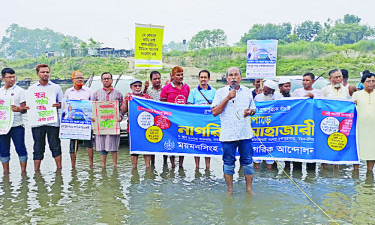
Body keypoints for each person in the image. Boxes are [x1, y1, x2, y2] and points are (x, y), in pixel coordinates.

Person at [212, 67, 256, 194]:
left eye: (236, 75)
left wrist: (250, 112)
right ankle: (230, 191)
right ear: (226, 78)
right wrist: (227, 98)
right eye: (230, 75)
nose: (233, 77)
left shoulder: (247, 91)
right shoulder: (220, 92)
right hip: (228, 136)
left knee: (247, 163)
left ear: (240, 77)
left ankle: (248, 190)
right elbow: (215, 112)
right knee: (228, 163)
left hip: (245, 134)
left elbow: (253, 109)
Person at [28, 64, 63, 171]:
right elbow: (29, 104)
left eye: (47, 72)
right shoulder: (31, 88)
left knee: (55, 146)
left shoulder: (56, 88)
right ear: (37, 73)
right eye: (43, 72)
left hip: (53, 122)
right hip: (37, 122)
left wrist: (59, 105)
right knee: (38, 147)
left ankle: (59, 170)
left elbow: (63, 104)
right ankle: (36, 172)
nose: (45, 74)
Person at [292, 72, 323, 171]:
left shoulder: (318, 92)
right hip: (299, 123)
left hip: (312, 124)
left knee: (311, 146)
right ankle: (296, 172)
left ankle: (311, 175)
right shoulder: (297, 91)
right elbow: (293, 105)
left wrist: (313, 98)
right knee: (298, 145)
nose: (304, 82)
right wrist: (303, 98)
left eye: (307, 80)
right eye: (303, 80)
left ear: (313, 81)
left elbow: (321, 106)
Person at [92, 72, 123, 169]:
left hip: (113, 124)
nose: (106, 80)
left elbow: (122, 108)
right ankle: (103, 167)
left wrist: (120, 117)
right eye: (104, 79)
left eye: (108, 78)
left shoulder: (118, 94)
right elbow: (93, 108)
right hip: (101, 125)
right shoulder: (96, 94)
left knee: (114, 146)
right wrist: (93, 117)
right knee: (102, 146)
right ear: (101, 81)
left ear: (112, 80)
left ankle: (115, 166)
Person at [160, 66, 190, 168]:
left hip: (183, 120)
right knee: (171, 140)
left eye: (182, 75)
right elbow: (162, 105)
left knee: (182, 141)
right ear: (172, 76)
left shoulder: (187, 87)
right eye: (178, 75)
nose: (180, 77)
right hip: (171, 120)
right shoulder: (166, 88)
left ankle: (181, 165)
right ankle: (172, 164)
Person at [0, 68, 28, 173]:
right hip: (3, 127)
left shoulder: (20, 91)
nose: (12, 79)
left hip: (17, 125)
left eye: (13, 77)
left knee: (20, 149)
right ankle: (6, 173)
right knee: (3, 150)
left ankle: (23, 173)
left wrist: (19, 109)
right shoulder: (0, 92)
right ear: (3, 78)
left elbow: (24, 109)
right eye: (9, 77)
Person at [187, 69, 216, 170]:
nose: (203, 79)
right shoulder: (193, 92)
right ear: (198, 79)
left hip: (209, 122)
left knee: (208, 143)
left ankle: (208, 167)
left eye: (205, 77)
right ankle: (197, 167)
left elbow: (217, 106)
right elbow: (189, 105)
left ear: (209, 79)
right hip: (197, 122)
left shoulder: (214, 92)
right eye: (201, 77)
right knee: (197, 143)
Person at [64, 70, 94, 168]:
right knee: (73, 144)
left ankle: (91, 164)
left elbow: (92, 105)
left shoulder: (88, 91)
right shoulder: (68, 92)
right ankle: (73, 165)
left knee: (89, 143)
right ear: (72, 79)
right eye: (77, 78)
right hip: (73, 122)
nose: (80, 79)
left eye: (81, 78)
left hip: (86, 122)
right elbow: (65, 106)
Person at [121, 79, 153, 169]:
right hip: (132, 128)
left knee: (146, 150)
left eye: (139, 85)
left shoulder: (148, 98)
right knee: (134, 151)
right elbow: (123, 111)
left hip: (146, 128)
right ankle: (134, 170)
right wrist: (125, 100)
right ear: (131, 87)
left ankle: (148, 169)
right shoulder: (129, 97)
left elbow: (155, 108)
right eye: (135, 86)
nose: (138, 87)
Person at [253, 79, 281, 169]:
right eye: (264, 89)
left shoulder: (279, 98)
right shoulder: (258, 97)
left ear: (272, 91)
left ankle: (269, 175)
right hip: (259, 129)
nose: (264, 92)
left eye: (267, 90)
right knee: (256, 154)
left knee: (270, 154)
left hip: (272, 129)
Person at [352, 71, 375, 171]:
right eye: (368, 81)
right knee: (357, 149)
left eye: (373, 81)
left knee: (372, 150)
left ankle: (370, 173)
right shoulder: (356, 94)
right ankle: (355, 171)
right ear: (362, 83)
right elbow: (350, 109)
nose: (371, 83)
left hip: (373, 128)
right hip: (359, 128)